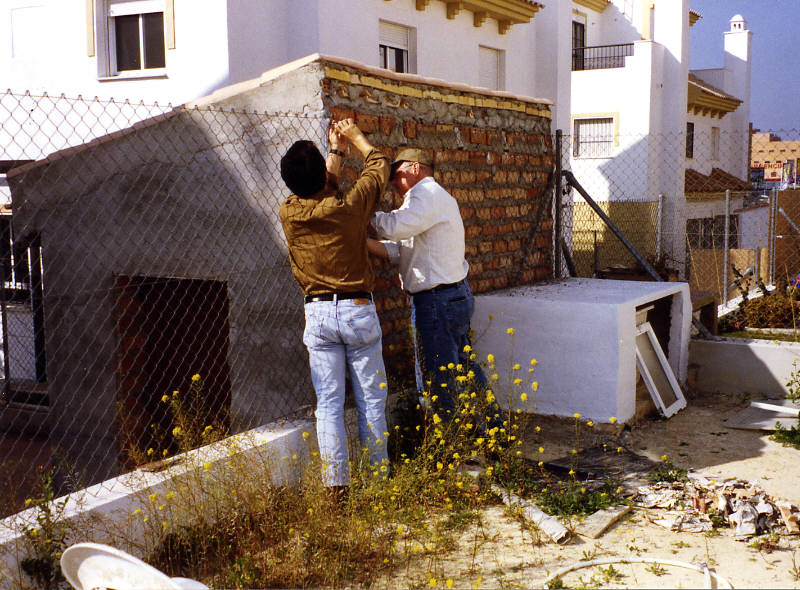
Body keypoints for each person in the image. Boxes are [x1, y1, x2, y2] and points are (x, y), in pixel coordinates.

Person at [279, 119, 390, 497]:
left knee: (328, 404)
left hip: (318, 314)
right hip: (358, 310)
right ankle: (376, 484)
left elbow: (317, 187)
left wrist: (334, 152)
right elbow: (379, 167)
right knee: (370, 401)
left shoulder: (289, 212)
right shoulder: (351, 207)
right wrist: (354, 139)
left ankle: (335, 489)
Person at [367, 148, 500, 427]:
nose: (394, 184)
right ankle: (494, 429)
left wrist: (361, 212)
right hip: (450, 296)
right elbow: (401, 250)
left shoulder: (425, 195)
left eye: (397, 176)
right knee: (464, 369)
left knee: (438, 380)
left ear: (415, 168)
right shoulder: (427, 201)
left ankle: (450, 448)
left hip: (437, 301)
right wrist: (360, 243)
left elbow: (393, 228)